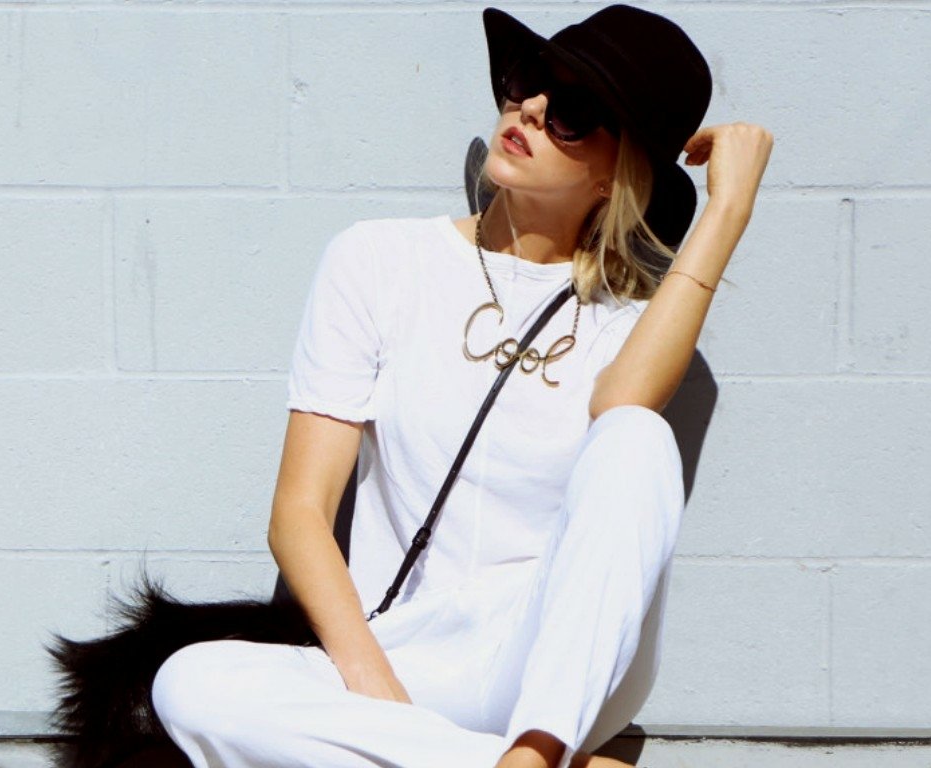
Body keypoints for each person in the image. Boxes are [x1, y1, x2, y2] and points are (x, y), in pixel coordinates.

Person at [150, 5, 772, 768]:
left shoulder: (630, 326)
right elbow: (299, 513)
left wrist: (728, 210)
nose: (530, 108)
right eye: (530, 80)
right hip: (406, 653)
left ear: (617, 174)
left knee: (636, 437)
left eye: (572, 111)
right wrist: (376, 691)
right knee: (191, 682)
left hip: (547, 660)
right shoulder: (379, 261)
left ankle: (538, 745)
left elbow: (621, 407)